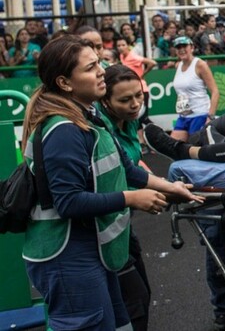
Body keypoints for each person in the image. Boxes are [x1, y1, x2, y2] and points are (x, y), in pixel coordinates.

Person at [21, 36, 200, 331]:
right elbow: (68, 202)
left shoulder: (88, 116)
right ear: (65, 83)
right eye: (91, 68)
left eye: (99, 63)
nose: (102, 71)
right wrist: (131, 198)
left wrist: (169, 187)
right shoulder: (63, 129)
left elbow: (125, 167)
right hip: (66, 257)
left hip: (92, 249)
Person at [98, 64, 154, 330]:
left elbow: (131, 165)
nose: (134, 105)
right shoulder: (99, 130)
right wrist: (137, 196)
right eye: (124, 99)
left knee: (140, 296)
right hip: (101, 231)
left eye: (138, 96)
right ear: (105, 100)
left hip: (122, 225)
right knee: (134, 302)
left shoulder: (129, 122)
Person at [169, 36, 220, 140]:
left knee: (196, 150)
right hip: (183, 116)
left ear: (191, 47)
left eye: (184, 46)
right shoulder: (178, 65)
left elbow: (215, 91)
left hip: (200, 115)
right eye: (178, 47)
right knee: (173, 147)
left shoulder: (200, 65)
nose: (181, 49)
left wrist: (210, 116)